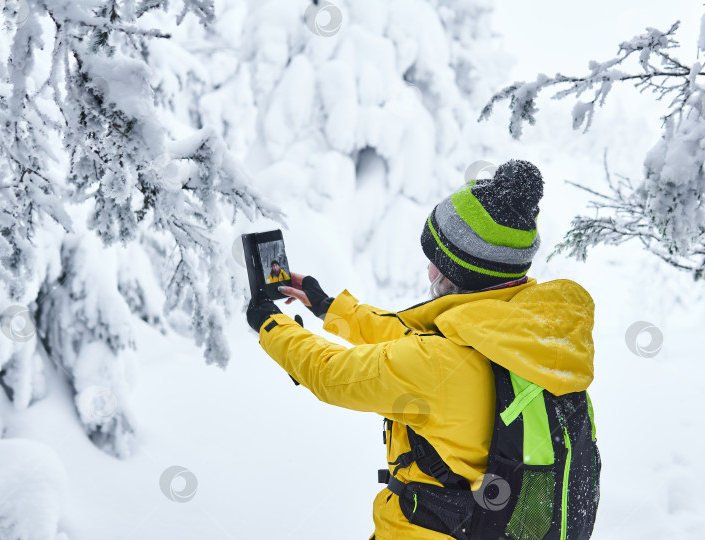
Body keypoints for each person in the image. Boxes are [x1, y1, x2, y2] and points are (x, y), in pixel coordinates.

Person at [247, 160, 599, 539]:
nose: (430, 272)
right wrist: (330, 308)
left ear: (463, 272)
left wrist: (270, 324)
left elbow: (329, 373)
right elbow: (412, 333)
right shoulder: (530, 333)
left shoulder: (436, 365)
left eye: (438, 263)